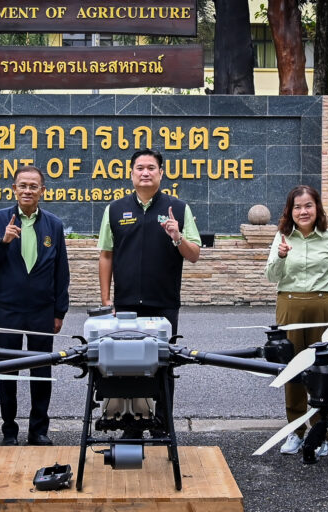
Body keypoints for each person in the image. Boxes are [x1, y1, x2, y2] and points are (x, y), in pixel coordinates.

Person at [98, 148, 201, 437]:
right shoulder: (116, 209)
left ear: (161, 173)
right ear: (131, 174)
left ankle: (163, 426)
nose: (145, 172)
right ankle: (131, 426)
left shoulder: (178, 208)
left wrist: (176, 236)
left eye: (151, 168)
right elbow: (106, 255)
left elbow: (193, 255)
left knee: (164, 366)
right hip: (126, 305)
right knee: (127, 366)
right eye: (140, 168)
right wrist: (107, 300)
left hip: (164, 304)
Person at [0, 165, 69, 446]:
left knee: (42, 369)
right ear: (14, 189)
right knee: (8, 368)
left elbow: (61, 271)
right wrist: (3, 242)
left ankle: (38, 430)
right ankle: (9, 430)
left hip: (42, 309)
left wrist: (59, 311)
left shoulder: (53, 224)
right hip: (9, 308)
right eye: (22, 185)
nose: (27, 190)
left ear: (42, 191)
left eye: (33, 186)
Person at [265, 185, 328, 456]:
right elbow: (271, 276)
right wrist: (281, 255)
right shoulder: (282, 237)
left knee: (322, 371)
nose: (303, 211)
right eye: (297, 206)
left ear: (317, 208)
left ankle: (320, 433)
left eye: (308, 205)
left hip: (323, 306)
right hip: (289, 305)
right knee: (293, 369)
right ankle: (295, 432)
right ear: (290, 211)